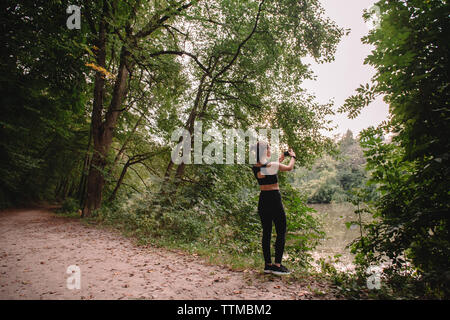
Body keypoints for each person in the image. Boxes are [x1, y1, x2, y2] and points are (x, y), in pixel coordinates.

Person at [251, 141, 296, 275]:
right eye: (269, 148)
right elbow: (289, 168)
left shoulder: (255, 166)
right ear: (265, 151)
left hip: (263, 199)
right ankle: (277, 265)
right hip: (274, 199)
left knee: (267, 232)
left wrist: (279, 159)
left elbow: (268, 167)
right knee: (281, 230)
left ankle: (268, 265)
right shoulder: (273, 165)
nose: (270, 150)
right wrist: (293, 157)